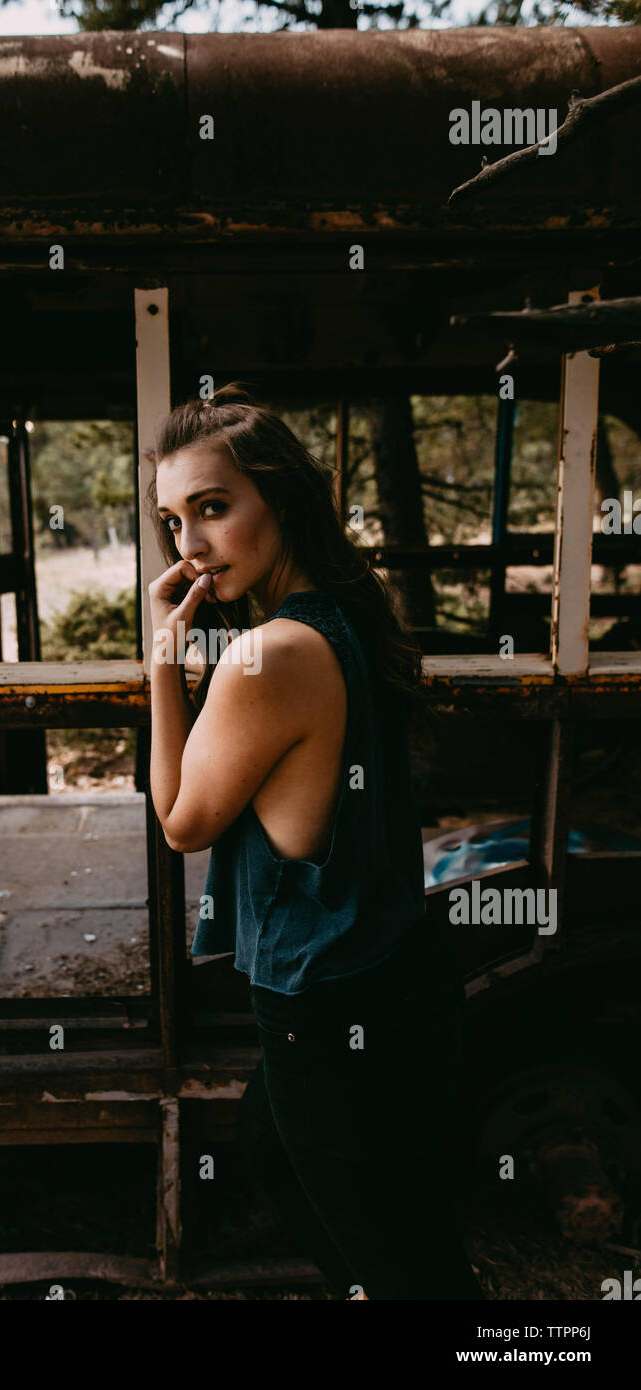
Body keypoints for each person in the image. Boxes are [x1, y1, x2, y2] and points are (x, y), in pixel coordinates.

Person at [146, 382, 484, 1301]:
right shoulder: (341, 612)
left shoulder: (269, 655)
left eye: (214, 508)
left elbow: (181, 822)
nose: (191, 547)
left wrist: (160, 670)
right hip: (392, 973)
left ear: (282, 501)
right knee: (282, 1149)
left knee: (408, 1270)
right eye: (175, 521)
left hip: (329, 1004)